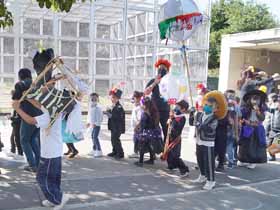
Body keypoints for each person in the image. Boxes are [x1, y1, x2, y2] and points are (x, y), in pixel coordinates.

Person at [12, 99, 70, 210]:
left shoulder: (47, 116)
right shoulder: (55, 110)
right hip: (54, 151)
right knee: (53, 177)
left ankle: (58, 199)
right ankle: (54, 198)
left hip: (50, 153)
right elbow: (39, 105)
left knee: (41, 177)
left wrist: (17, 109)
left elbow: (30, 120)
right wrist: (28, 97)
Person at [193, 91, 227, 190]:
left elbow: (210, 128)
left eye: (210, 106)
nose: (206, 107)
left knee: (209, 162)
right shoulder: (199, 114)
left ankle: (211, 180)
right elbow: (193, 123)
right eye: (206, 105)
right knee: (200, 159)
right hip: (199, 140)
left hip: (208, 142)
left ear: (215, 108)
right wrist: (192, 114)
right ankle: (202, 175)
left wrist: (199, 125)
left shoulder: (214, 118)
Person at [12, 68, 42, 172]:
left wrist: (13, 94)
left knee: (24, 140)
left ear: (20, 75)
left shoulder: (20, 84)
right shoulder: (36, 84)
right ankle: (38, 163)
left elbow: (16, 100)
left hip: (28, 115)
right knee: (33, 139)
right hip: (40, 115)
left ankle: (32, 165)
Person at [238, 89, 268, 169]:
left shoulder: (262, 109)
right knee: (245, 145)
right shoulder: (246, 109)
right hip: (247, 128)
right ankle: (243, 160)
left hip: (257, 129)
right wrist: (244, 121)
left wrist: (258, 111)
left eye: (257, 99)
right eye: (253, 99)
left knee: (254, 146)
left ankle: (253, 161)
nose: (255, 101)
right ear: (250, 100)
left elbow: (262, 119)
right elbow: (241, 118)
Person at [145, 59, 171, 143]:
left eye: (164, 68)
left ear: (167, 70)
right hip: (154, 110)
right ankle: (154, 149)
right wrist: (155, 83)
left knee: (166, 130)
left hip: (165, 110)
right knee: (153, 129)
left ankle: (166, 151)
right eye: (160, 68)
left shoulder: (170, 82)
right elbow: (146, 92)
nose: (161, 70)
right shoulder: (153, 80)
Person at [134, 97, 163, 167]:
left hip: (146, 133)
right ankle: (151, 159)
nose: (141, 106)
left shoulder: (144, 114)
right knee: (150, 146)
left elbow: (143, 125)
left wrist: (138, 131)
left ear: (145, 105)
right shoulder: (155, 112)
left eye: (142, 104)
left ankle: (140, 161)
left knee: (142, 146)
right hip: (154, 132)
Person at [165, 99, 189, 177]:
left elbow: (176, 129)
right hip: (171, 137)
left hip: (176, 139)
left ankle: (184, 170)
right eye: (176, 106)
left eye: (178, 107)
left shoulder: (182, 118)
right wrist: (170, 120)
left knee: (175, 155)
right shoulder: (175, 116)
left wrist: (172, 120)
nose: (176, 108)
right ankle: (171, 166)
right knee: (169, 153)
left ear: (183, 109)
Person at [106, 88, 125, 159]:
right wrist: (108, 112)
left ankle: (120, 153)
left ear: (118, 98)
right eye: (112, 97)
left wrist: (111, 115)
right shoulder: (113, 105)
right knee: (112, 139)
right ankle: (114, 151)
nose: (112, 98)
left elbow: (119, 117)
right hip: (113, 126)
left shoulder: (119, 107)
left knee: (116, 139)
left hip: (117, 127)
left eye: (114, 97)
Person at [225, 90, 239, 168]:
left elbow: (236, 120)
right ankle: (228, 161)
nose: (231, 98)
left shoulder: (235, 107)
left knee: (229, 146)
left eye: (232, 96)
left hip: (229, 130)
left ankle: (230, 162)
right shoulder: (222, 104)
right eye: (229, 96)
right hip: (224, 129)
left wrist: (236, 133)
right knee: (228, 146)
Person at [87, 93, 103, 157]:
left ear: (97, 99)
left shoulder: (98, 107)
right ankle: (94, 149)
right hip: (92, 125)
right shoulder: (91, 106)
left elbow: (100, 117)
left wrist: (96, 124)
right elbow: (89, 116)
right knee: (92, 137)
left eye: (95, 98)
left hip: (96, 125)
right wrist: (88, 122)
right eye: (92, 98)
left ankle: (99, 150)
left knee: (95, 137)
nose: (93, 99)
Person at [129, 91, 143, 158]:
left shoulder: (140, 107)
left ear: (138, 98)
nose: (132, 99)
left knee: (137, 140)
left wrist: (137, 127)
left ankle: (136, 152)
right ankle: (137, 152)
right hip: (136, 126)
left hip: (138, 127)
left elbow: (140, 119)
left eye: (133, 97)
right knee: (136, 139)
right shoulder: (136, 106)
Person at [267, 94, 280, 161]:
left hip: (279, 130)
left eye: (269, 98)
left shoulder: (277, 104)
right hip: (273, 129)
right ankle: (272, 156)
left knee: (277, 144)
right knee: (269, 143)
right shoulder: (272, 105)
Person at [10, 90, 23, 156]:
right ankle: (13, 151)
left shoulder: (18, 104)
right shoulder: (15, 104)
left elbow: (19, 117)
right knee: (13, 138)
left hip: (17, 124)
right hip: (15, 124)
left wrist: (12, 118)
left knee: (17, 139)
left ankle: (20, 153)